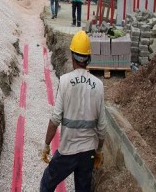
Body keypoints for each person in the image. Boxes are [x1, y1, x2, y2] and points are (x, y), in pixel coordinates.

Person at [40, 30, 107, 192]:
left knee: (47, 182)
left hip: (68, 149)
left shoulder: (65, 82)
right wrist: (98, 150)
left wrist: (46, 145)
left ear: (72, 55)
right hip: (88, 152)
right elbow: (102, 128)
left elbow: (55, 119)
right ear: (88, 58)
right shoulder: (98, 85)